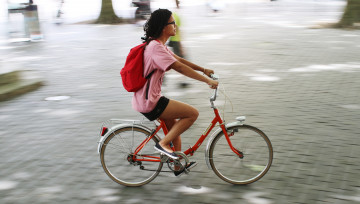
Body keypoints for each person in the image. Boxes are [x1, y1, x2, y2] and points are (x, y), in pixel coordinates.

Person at [131, 8, 219, 176]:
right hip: (150, 101)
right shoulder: (156, 48)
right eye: (172, 23)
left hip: (149, 98)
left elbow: (179, 60)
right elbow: (179, 67)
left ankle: (177, 165)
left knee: (174, 130)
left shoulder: (157, 45)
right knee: (192, 114)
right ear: (164, 27)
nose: (176, 25)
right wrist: (207, 81)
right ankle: (162, 144)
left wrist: (204, 70)